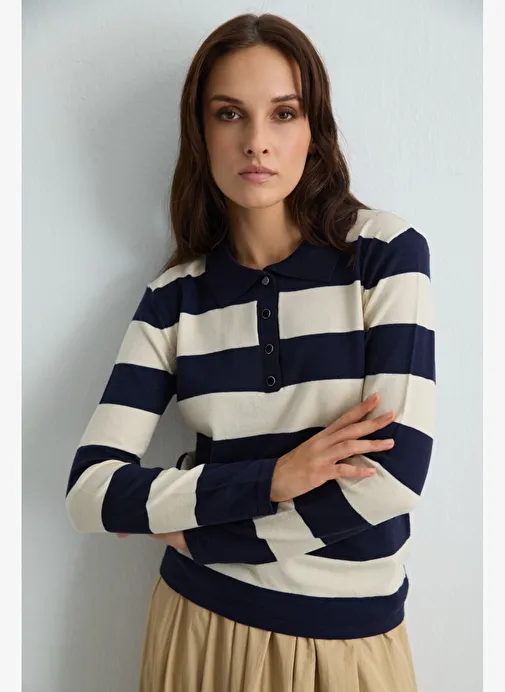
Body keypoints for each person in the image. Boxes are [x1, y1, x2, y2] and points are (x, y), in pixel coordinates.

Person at [65, 12, 435, 692]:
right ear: (200, 132)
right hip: (198, 628)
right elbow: (91, 492)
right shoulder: (174, 299)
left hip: (350, 642)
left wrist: (203, 530)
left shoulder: (384, 255)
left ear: (314, 130)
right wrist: (272, 480)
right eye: (229, 113)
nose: (256, 141)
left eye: (283, 113)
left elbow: (391, 478)